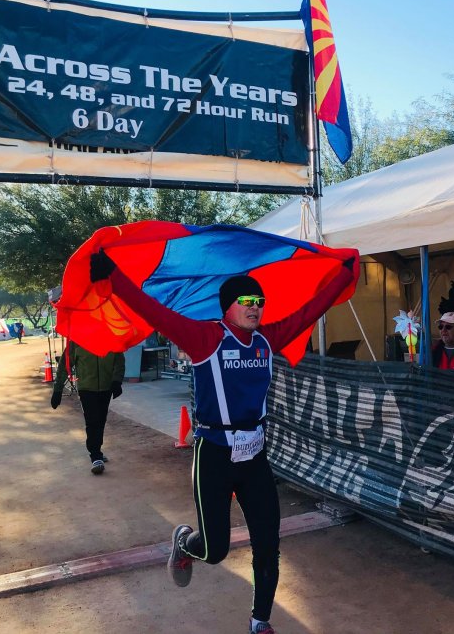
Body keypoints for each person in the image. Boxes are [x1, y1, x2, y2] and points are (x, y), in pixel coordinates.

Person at [89, 248, 355, 634]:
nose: (256, 307)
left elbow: (310, 311)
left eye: (260, 301)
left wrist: (342, 278)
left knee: (268, 544)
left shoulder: (267, 339)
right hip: (214, 453)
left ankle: (259, 622)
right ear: (228, 306)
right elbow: (153, 311)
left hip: (255, 455)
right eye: (247, 301)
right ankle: (186, 545)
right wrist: (112, 275)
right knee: (215, 551)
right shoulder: (204, 337)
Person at [50, 340, 125, 474]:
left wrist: (117, 380)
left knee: (101, 420)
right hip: (86, 388)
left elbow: (119, 361)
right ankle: (95, 456)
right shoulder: (77, 340)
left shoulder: (111, 337)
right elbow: (65, 364)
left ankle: (98, 451)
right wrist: (58, 389)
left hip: (106, 388)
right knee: (92, 421)